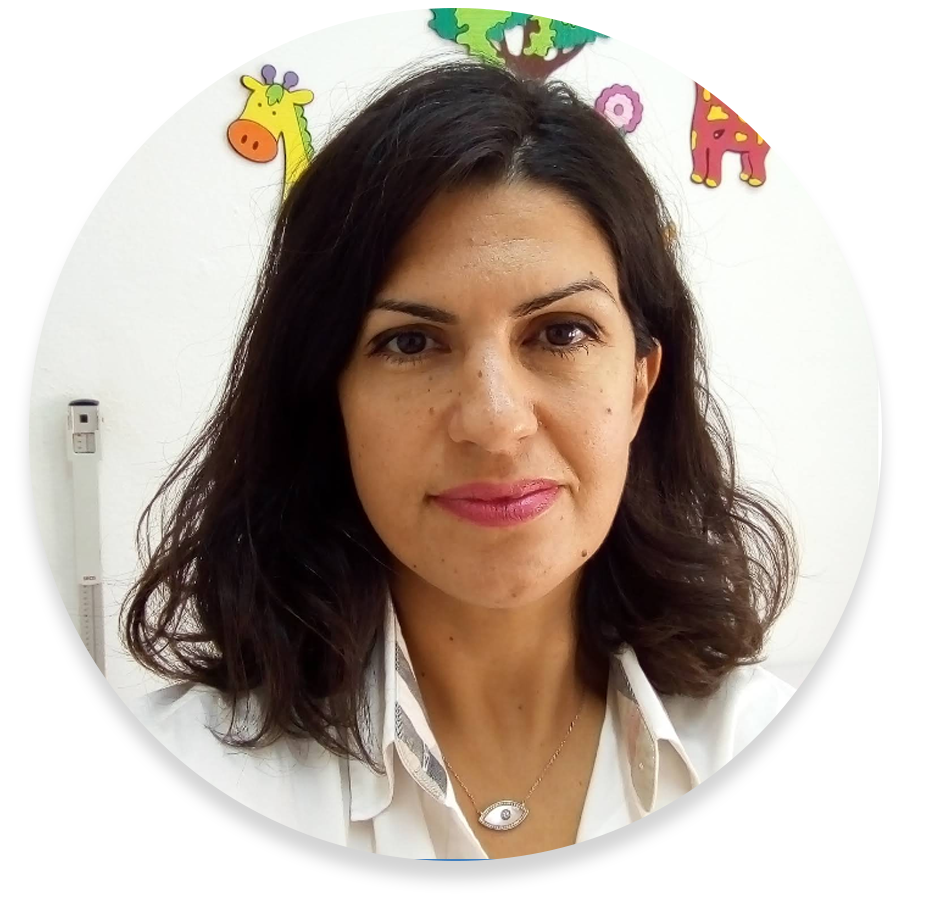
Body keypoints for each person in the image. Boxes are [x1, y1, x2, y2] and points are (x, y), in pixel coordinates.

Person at [67, 58, 880, 861]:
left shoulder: (778, 775)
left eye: (561, 332)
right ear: (328, 397)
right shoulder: (189, 801)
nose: (494, 422)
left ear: (639, 383)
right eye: (410, 342)